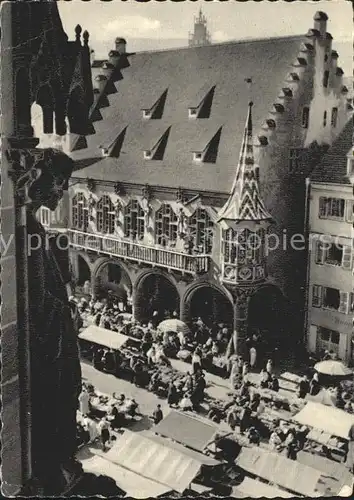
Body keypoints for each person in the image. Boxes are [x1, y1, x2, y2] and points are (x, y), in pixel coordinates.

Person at [26, 150, 83, 492]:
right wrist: (65, 313)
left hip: (50, 335)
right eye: (59, 183)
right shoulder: (27, 225)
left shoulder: (31, 224)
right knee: (55, 401)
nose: (61, 192)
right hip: (45, 344)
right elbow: (33, 298)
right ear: (37, 176)